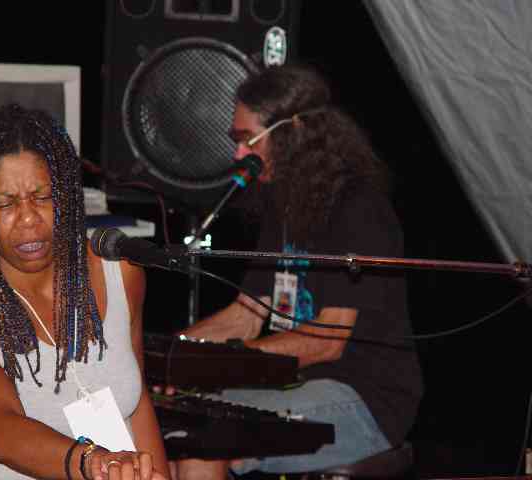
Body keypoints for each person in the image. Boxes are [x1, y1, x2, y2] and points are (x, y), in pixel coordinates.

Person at [171, 64, 424, 479]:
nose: (238, 155)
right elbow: (245, 316)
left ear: (294, 133)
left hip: (364, 398)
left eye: (248, 139)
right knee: (166, 425)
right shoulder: (282, 206)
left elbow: (326, 342)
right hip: (296, 384)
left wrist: (214, 365)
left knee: (203, 434)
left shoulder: (357, 206)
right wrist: (171, 355)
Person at [0, 104, 170, 480]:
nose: (28, 218)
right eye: (5, 203)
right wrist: (95, 463)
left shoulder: (120, 270)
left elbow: (136, 405)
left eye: (42, 197)